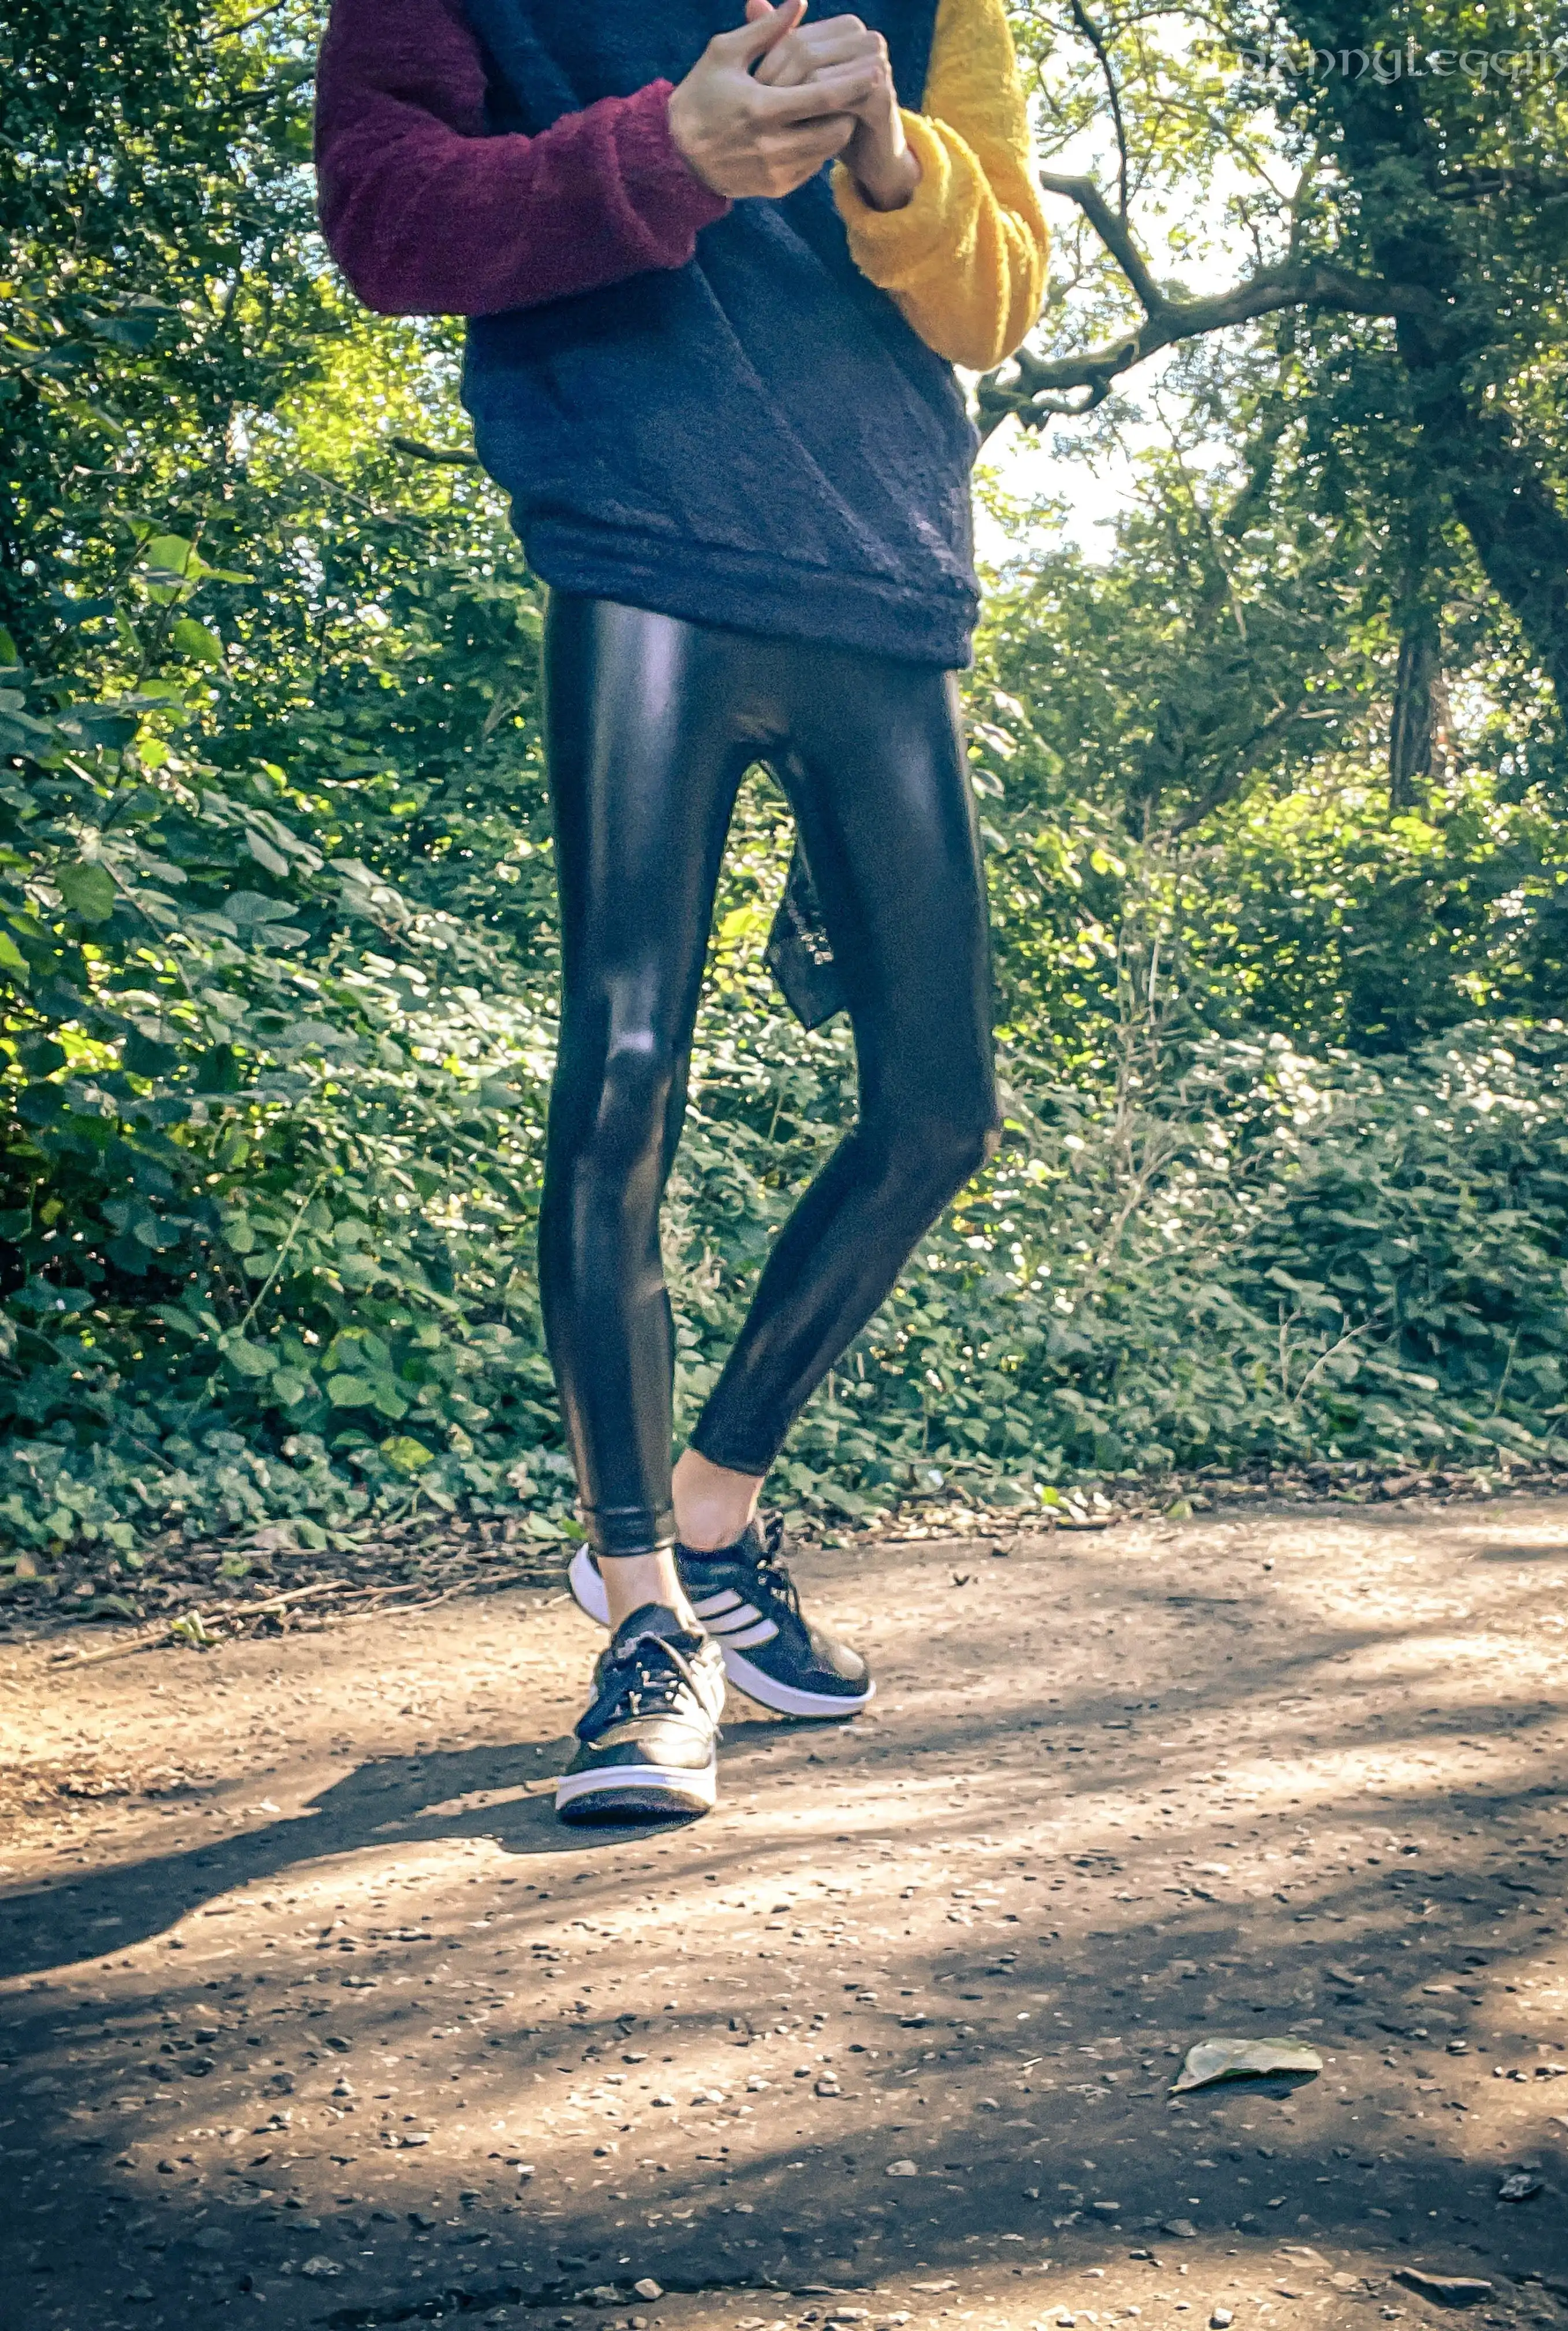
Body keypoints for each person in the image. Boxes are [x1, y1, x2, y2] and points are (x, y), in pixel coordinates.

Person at [315, 0, 1047, 1822]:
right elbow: (385, 216)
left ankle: (712, 1520)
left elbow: (999, 296)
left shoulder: (948, 6)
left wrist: (892, 158)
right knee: (627, 1069)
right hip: (638, 544)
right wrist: (667, 153)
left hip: (884, 579)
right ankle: (644, 1621)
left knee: (942, 1109)